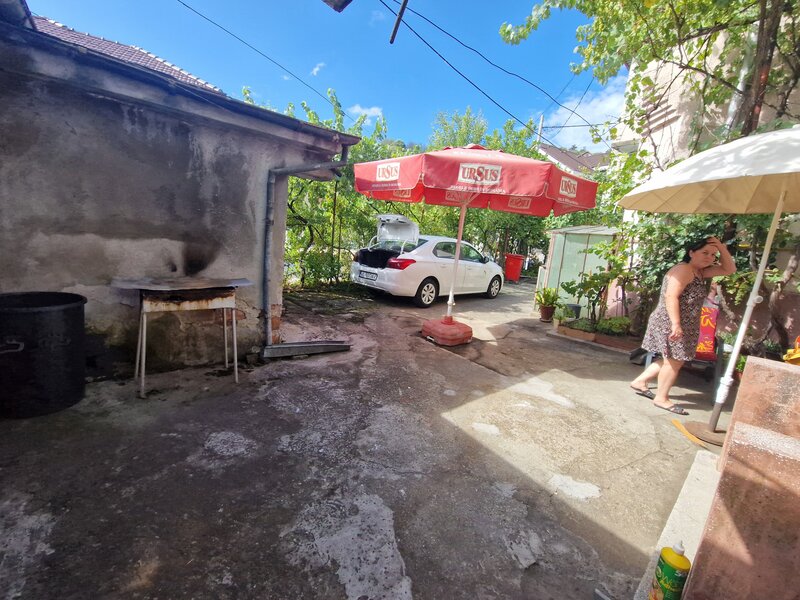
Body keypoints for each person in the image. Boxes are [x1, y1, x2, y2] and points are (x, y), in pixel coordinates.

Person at [630, 237, 736, 414]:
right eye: (705, 253)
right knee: (675, 360)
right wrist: (676, 325)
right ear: (691, 252)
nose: (709, 257)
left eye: (712, 255)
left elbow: (729, 269)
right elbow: (671, 296)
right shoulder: (684, 270)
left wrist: (721, 248)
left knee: (669, 358)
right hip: (670, 322)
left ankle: (640, 382)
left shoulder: (699, 272)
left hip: (682, 323)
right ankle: (661, 398)